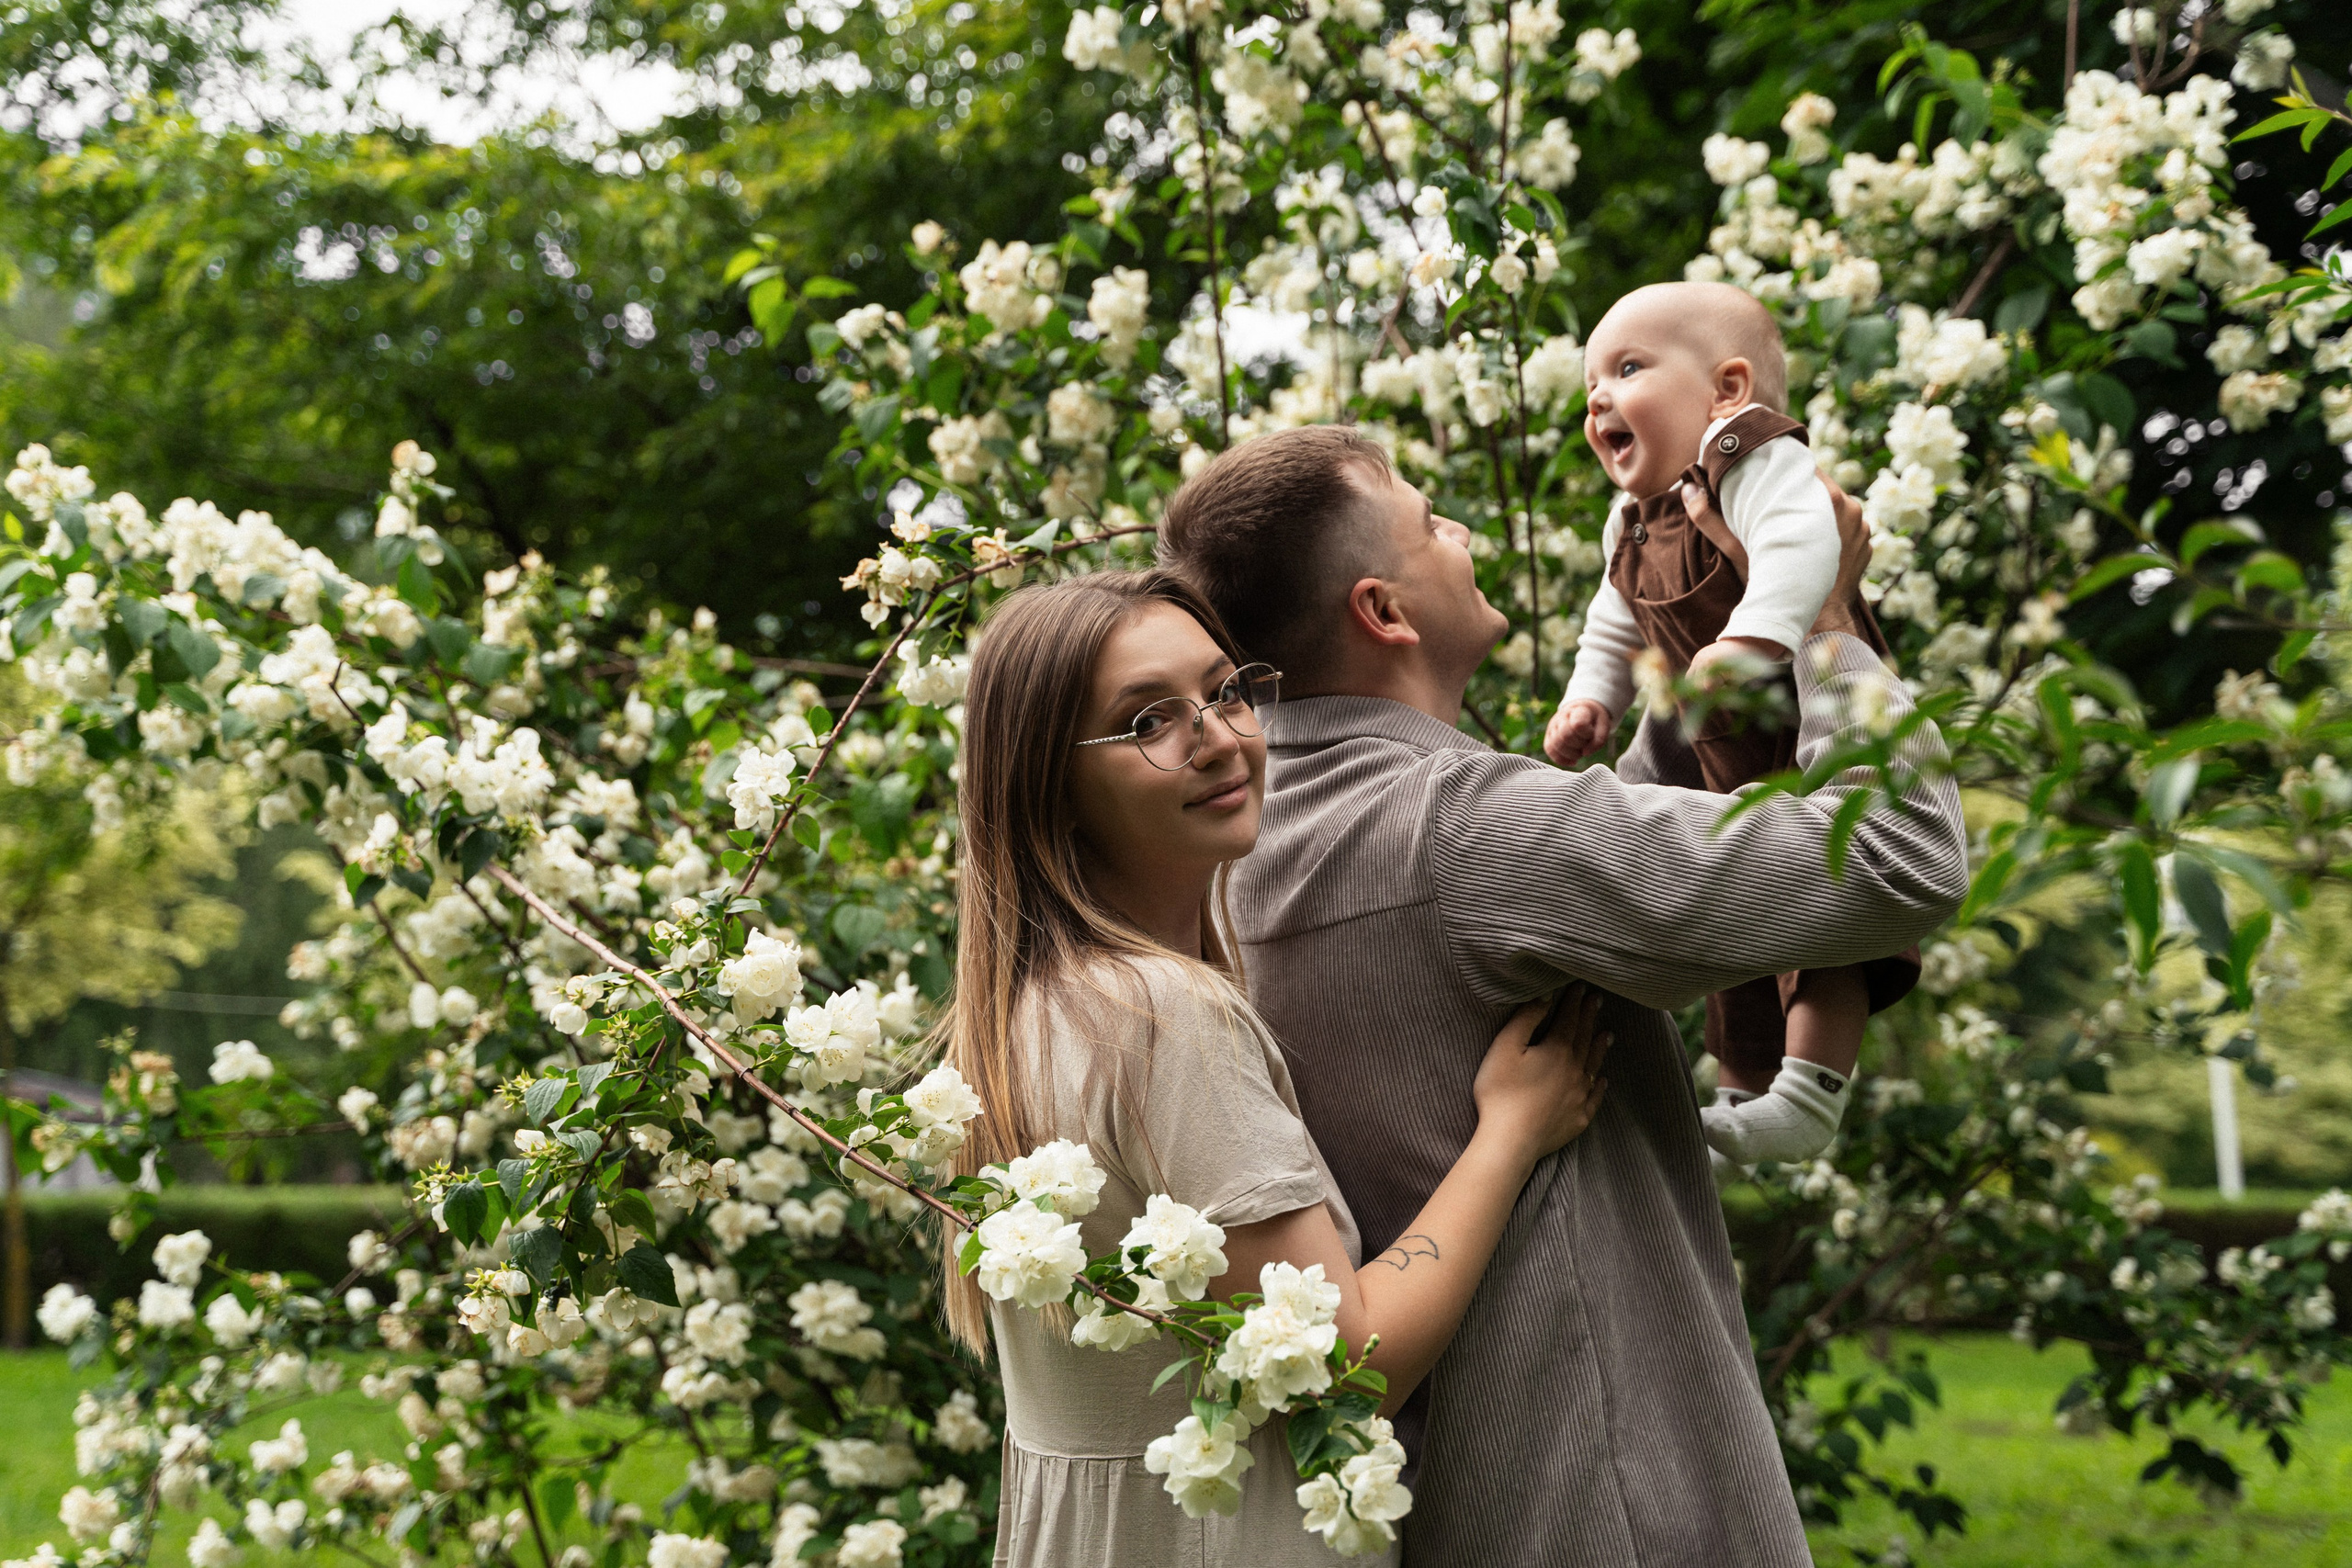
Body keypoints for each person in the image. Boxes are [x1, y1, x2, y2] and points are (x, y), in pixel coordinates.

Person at [1159, 424, 1969, 1567]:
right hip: (1611, 1495)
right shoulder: (1465, 827)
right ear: (1383, 611)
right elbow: (1898, 860)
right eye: (1433, 520)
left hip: (1439, 1495)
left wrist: (1696, 647)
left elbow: (1582, 868)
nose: (1464, 533)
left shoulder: (1231, 852)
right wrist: (1831, 624)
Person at [937, 570, 1612, 1567]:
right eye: (1147, 722)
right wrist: (1510, 1131)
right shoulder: (1161, 1014)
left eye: (1223, 690)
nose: (1216, 736)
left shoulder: (1018, 1015)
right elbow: (1346, 1366)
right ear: (1053, 785)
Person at [1545, 279, 1918, 1166]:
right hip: (1722, 742)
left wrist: (1752, 636)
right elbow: (1616, 618)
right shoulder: (1631, 519)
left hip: (1809, 717)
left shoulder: (1750, 460)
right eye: (1591, 381)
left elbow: (1803, 547)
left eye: (1628, 368)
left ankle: (1811, 1092)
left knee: (1828, 907)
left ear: (1725, 391)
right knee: (1741, 915)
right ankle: (1742, 1091)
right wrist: (1591, 694)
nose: (1598, 397)